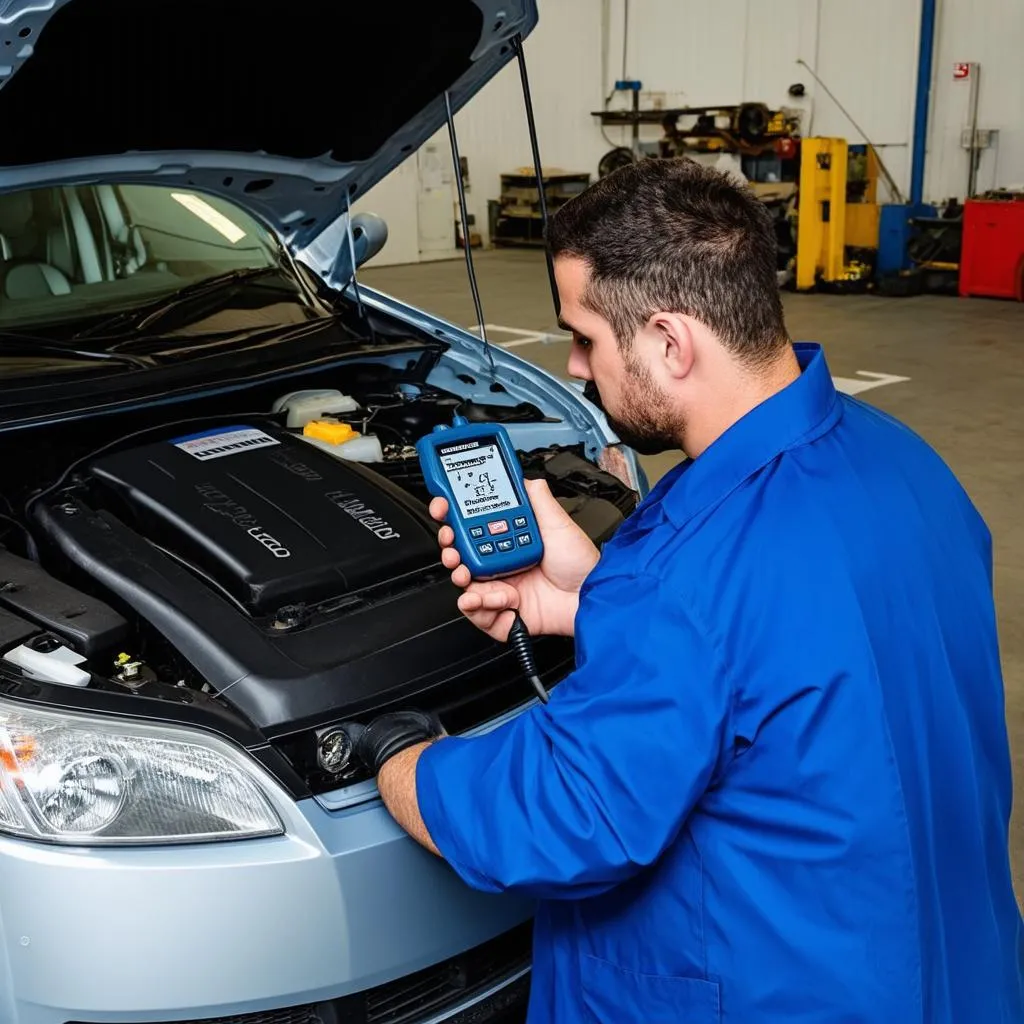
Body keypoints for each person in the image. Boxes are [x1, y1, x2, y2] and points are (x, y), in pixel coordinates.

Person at [352, 157, 1024, 1023]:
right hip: (952, 976)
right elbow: (787, 652)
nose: (574, 367)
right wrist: (591, 599)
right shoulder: (905, 464)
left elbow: (561, 816)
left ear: (670, 342)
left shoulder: (684, 572)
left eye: (586, 336)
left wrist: (398, 760)